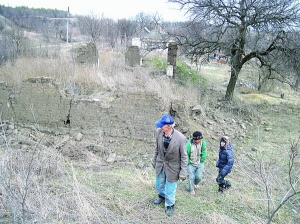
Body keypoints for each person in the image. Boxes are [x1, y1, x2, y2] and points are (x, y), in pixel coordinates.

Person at [152, 114, 187, 217]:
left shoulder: (181, 138)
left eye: (162, 125)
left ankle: (170, 205)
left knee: (170, 188)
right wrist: (154, 159)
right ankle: (161, 196)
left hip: (173, 167)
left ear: (169, 126)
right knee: (159, 184)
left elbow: (184, 156)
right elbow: (157, 148)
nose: (160, 127)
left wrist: (183, 171)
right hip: (160, 163)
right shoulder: (158, 132)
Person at [186, 131, 207, 195]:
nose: (201, 140)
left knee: (199, 177)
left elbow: (204, 151)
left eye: (201, 139)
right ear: (195, 139)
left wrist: (202, 160)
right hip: (191, 163)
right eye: (199, 139)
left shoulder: (203, 143)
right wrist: (188, 162)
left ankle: (195, 183)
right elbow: (186, 154)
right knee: (191, 177)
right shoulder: (188, 144)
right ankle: (191, 189)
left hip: (199, 162)